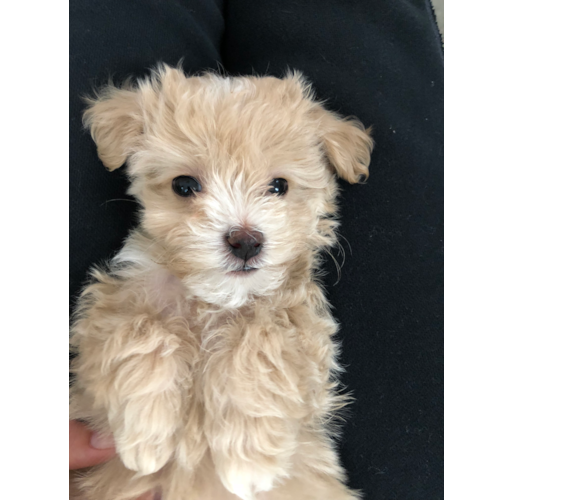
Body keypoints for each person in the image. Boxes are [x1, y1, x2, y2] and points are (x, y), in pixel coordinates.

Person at [69, 1, 444, 497]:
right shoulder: (134, 293)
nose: (242, 227)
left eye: (277, 187)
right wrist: (140, 366)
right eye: (186, 186)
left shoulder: (286, 302)